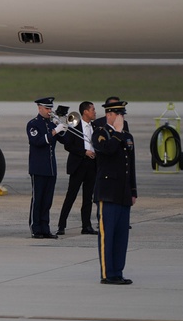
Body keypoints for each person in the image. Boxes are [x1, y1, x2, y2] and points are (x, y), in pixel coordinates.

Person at [93, 99, 137, 285]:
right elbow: (106, 151)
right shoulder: (100, 133)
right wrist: (117, 133)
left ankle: (117, 271)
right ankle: (107, 273)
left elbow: (130, 165)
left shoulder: (127, 136)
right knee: (107, 235)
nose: (121, 118)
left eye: (122, 115)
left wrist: (133, 190)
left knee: (121, 237)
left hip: (123, 193)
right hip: (107, 193)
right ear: (109, 115)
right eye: (118, 115)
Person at [27, 96, 66, 239]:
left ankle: (45, 228)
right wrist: (55, 131)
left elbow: (64, 141)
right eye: (47, 108)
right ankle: (35, 228)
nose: (50, 111)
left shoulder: (51, 124)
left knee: (47, 200)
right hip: (38, 168)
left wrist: (62, 128)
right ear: (39, 108)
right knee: (38, 200)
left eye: (51, 108)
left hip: (50, 168)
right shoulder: (33, 124)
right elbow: (37, 141)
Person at [57, 101, 98, 236]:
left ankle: (86, 225)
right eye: (92, 110)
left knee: (88, 197)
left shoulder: (96, 127)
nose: (95, 112)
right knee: (71, 195)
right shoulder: (74, 126)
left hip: (92, 165)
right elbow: (68, 146)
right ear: (85, 112)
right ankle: (61, 225)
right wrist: (84, 152)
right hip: (78, 165)